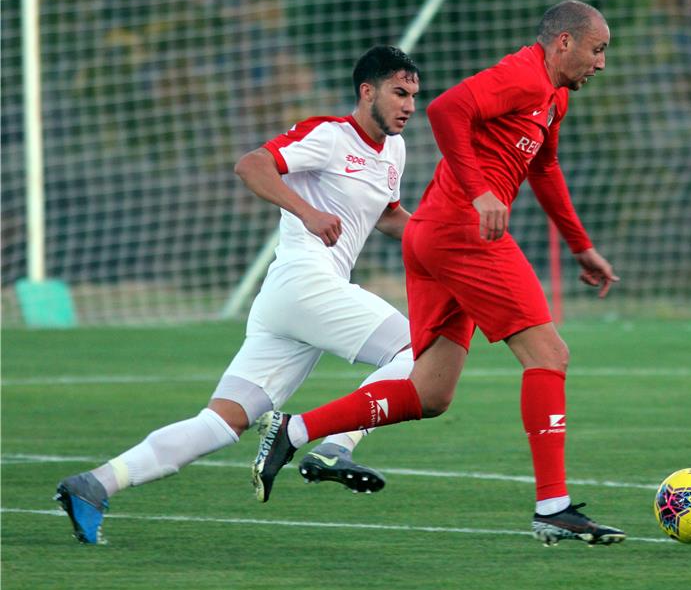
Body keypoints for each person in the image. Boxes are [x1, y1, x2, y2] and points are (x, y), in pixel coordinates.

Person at [251, 0, 626, 547]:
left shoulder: (554, 99)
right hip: (460, 231)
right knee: (550, 356)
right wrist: (479, 192)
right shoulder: (523, 74)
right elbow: (447, 109)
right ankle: (553, 506)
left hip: (431, 235)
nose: (600, 63)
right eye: (597, 50)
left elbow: (544, 168)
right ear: (563, 42)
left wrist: (581, 246)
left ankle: (294, 430)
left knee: (430, 394)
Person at [54, 45, 421, 544]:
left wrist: (446, 238)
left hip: (292, 302)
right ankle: (334, 445)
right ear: (367, 91)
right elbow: (251, 165)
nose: (409, 105)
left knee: (222, 422)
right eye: (399, 92)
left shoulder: (394, 151)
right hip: (305, 282)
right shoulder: (329, 136)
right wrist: (307, 213)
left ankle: (94, 485)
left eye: (414, 96)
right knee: (417, 352)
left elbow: (386, 215)